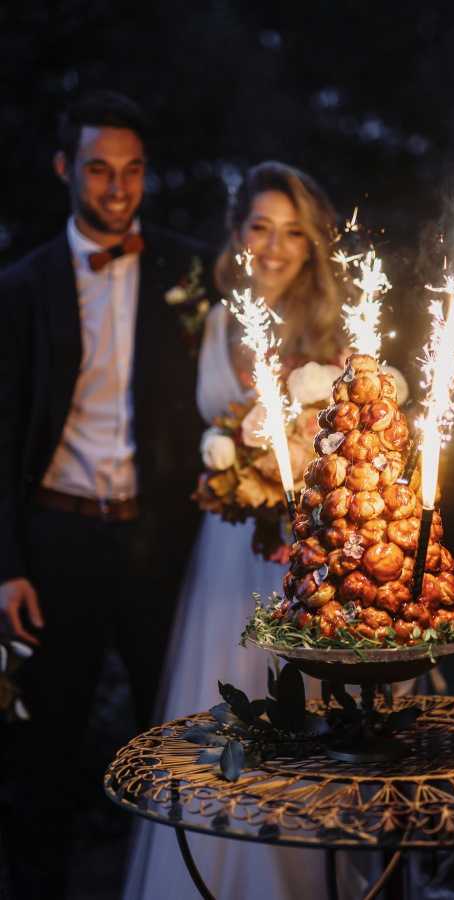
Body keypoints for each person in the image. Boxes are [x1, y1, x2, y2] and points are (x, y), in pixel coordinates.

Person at [124, 161, 388, 900]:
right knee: (220, 713)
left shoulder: (338, 335)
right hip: (226, 550)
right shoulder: (210, 322)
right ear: (238, 235)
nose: (275, 247)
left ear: (313, 245)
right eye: (261, 228)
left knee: (306, 720)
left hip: (308, 556)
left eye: (294, 232)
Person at [0, 91, 209, 899]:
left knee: (178, 736)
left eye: (132, 171)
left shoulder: (187, 270)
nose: (118, 189)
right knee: (41, 751)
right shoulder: (20, 287)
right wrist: (7, 564)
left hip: (162, 543)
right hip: (57, 544)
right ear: (64, 170)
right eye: (98, 169)